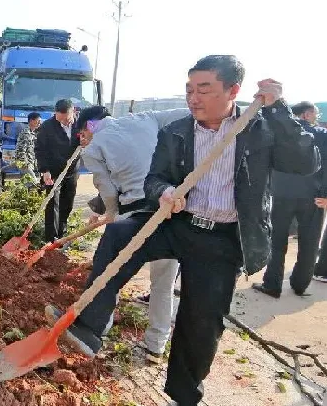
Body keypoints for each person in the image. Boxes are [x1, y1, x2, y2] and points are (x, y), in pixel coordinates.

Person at [46, 55, 319, 406]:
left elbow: (305, 161)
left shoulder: (259, 129)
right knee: (119, 234)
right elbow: (153, 178)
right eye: (189, 89)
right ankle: (89, 326)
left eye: (204, 89)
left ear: (233, 90)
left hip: (223, 238)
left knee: (201, 323)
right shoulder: (176, 130)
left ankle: (183, 395)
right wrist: (164, 191)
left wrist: (279, 108)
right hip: (179, 223)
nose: (194, 97)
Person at [76, 103, 190, 364]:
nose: (84, 137)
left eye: (83, 132)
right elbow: (188, 111)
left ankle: (95, 331)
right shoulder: (146, 118)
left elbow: (107, 192)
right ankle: (156, 346)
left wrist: (112, 218)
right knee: (163, 283)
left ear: (89, 126)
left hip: (135, 213)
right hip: (168, 208)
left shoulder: (93, 149)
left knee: (110, 274)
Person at [253, 101, 327, 296]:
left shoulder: (275, 133)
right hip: (313, 197)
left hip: (280, 194)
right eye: (315, 113)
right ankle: (300, 285)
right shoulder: (321, 134)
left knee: (276, 241)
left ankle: (272, 285)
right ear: (306, 114)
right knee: (310, 242)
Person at [35, 99, 80, 242]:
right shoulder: (47, 126)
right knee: (52, 203)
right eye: (60, 120)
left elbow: (96, 131)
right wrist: (45, 170)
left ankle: (62, 235)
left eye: (66, 120)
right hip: (53, 172)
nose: (64, 123)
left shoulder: (82, 124)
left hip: (72, 171)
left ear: (73, 112)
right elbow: (40, 150)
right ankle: (51, 239)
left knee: (68, 203)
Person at [15, 112, 42, 183]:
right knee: (33, 183)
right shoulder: (26, 133)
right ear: (31, 121)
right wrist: (25, 165)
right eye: (38, 121)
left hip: (30, 164)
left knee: (27, 186)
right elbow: (21, 151)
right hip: (24, 164)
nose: (39, 123)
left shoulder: (33, 133)